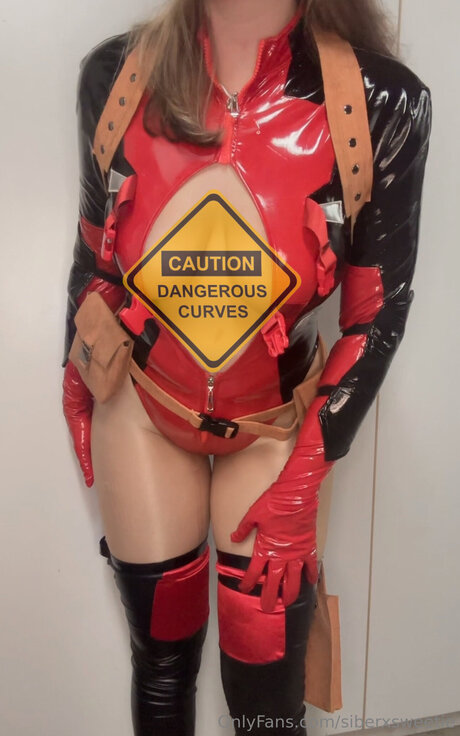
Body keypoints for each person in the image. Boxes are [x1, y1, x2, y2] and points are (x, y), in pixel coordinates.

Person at [61, 0, 432, 734]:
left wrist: (306, 476)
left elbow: (376, 314)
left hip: (278, 427)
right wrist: (79, 369)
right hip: (143, 409)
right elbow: (97, 256)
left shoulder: (381, 102)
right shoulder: (116, 77)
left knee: (267, 701)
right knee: (161, 664)